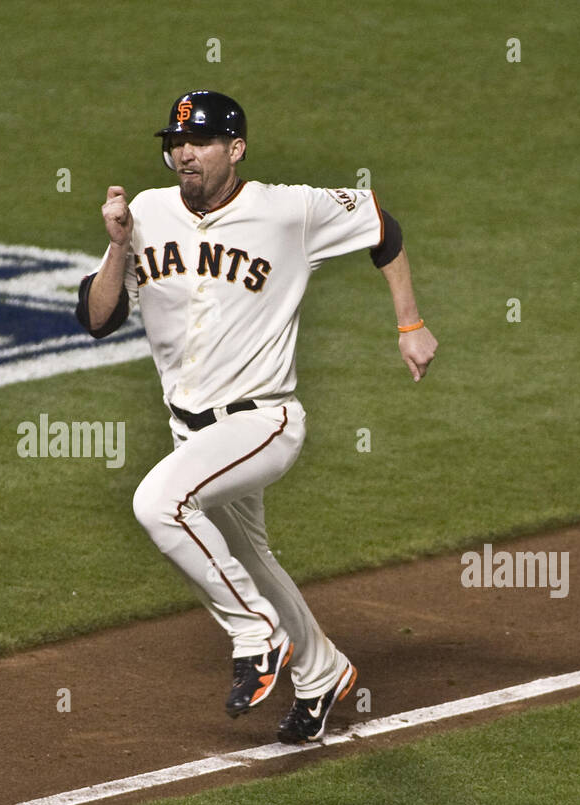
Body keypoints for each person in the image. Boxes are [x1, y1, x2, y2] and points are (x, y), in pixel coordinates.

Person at [76, 90, 437, 742]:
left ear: (236, 149)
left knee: (157, 501)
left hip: (262, 422)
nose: (184, 152)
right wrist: (116, 246)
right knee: (254, 558)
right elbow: (97, 320)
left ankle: (258, 636)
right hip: (190, 429)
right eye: (177, 141)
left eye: (202, 140)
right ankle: (323, 671)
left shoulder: (286, 210)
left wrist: (409, 322)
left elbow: (382, 226)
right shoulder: (147, 213)